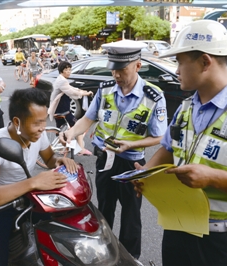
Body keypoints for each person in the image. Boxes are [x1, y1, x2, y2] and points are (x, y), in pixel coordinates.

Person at [133, 20, 227, 266]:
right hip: (177, 228)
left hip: (223, 241)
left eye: (180, 62)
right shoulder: (186, 107)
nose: (176, 71)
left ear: (205, 62)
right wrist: (147, 173)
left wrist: (213, 178)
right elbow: (167, 147)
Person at [60, 39, 168, 260]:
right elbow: (88, 119)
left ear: (137, 65)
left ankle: (130, 258)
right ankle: (104, 254)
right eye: (113, 69)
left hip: (131, 164)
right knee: (104, 210)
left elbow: (160, 137)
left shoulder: (153, 96)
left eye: (122, 69)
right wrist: (71, 133)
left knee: (131, 216)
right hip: (104, 159)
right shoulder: (106, 89)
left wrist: (132, 144)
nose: (117, 75)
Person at [0, 88, 78, 266]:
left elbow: (49, 158)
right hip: (0, 207)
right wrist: (33, 182)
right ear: (17, 122)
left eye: (44, 121)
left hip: (29, 199)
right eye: (37, 123)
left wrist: (59, 161)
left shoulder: (37, 133)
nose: (42, 128)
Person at [48, 61, 93, 156]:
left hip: (58, 109)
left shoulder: (61, 79)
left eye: (70, 69)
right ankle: (81, 149)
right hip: (63, 110)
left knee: (61, 129)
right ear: (61, 71)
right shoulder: (62, 81)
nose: (69, 71)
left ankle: (63, 149)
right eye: (67, 70)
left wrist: (83, 91)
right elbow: (72, 92)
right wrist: (85, 93)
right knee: (78, 127)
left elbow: (72, 88)